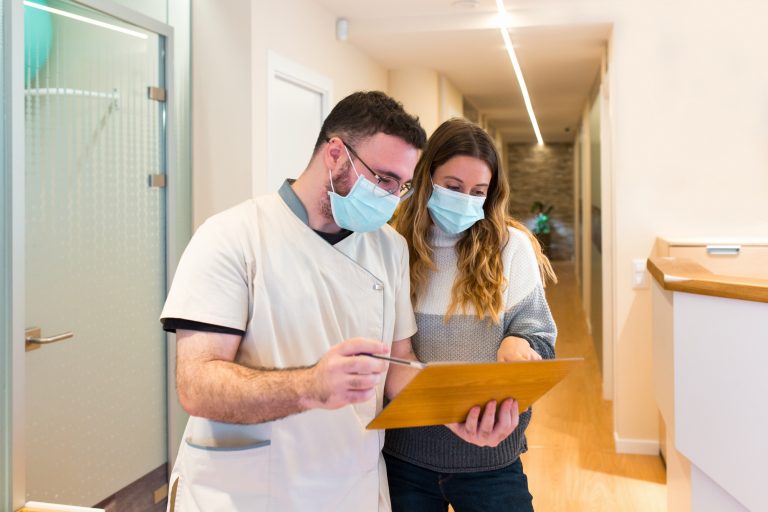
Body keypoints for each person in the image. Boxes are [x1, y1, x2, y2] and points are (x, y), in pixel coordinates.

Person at [159, 91, 428, 511]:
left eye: (403, 186)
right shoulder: (233, 235)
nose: (393, 198)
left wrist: (460, 410)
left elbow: (399, 363)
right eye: (384, 179)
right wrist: (310, 387)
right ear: (336, 154)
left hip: (350, 486)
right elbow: (197, 385)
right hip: (244, 492)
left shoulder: (389, 248)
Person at [383, 118, 558, 512]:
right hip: (405, 457)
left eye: (478, 192)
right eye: (453, 187)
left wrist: (521, 343)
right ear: (426, 178)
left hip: (491, 461)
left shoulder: (511, 247)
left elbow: (541, 339)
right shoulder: (391, 245)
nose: (466, 201)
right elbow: (388, 352)